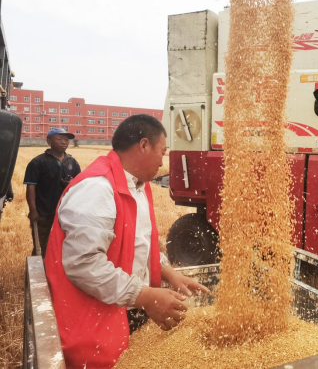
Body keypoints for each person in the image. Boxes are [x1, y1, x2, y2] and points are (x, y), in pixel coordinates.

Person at [44, 114, 210, 368]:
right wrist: (145, 297)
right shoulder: (97, 189)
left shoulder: (136, 187)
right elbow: (84, 264)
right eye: (162, 152)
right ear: (144, 145)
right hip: (94, 322)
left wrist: (169, 273)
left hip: (122, 310)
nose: (162, 161)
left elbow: (140, 242)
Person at [24, 128, 81, 257]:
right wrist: (33, 210)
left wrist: (71, 184)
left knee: (63, 245)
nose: (64, 142)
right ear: (49, 141)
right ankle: (37, 273)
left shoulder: (72, 162)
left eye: (66, 140)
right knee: (41, 246)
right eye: (59, 139)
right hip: (43, 212)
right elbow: (31, 187)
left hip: (66, 212)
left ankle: (55, 273)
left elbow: (80, 184)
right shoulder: (38, 162)